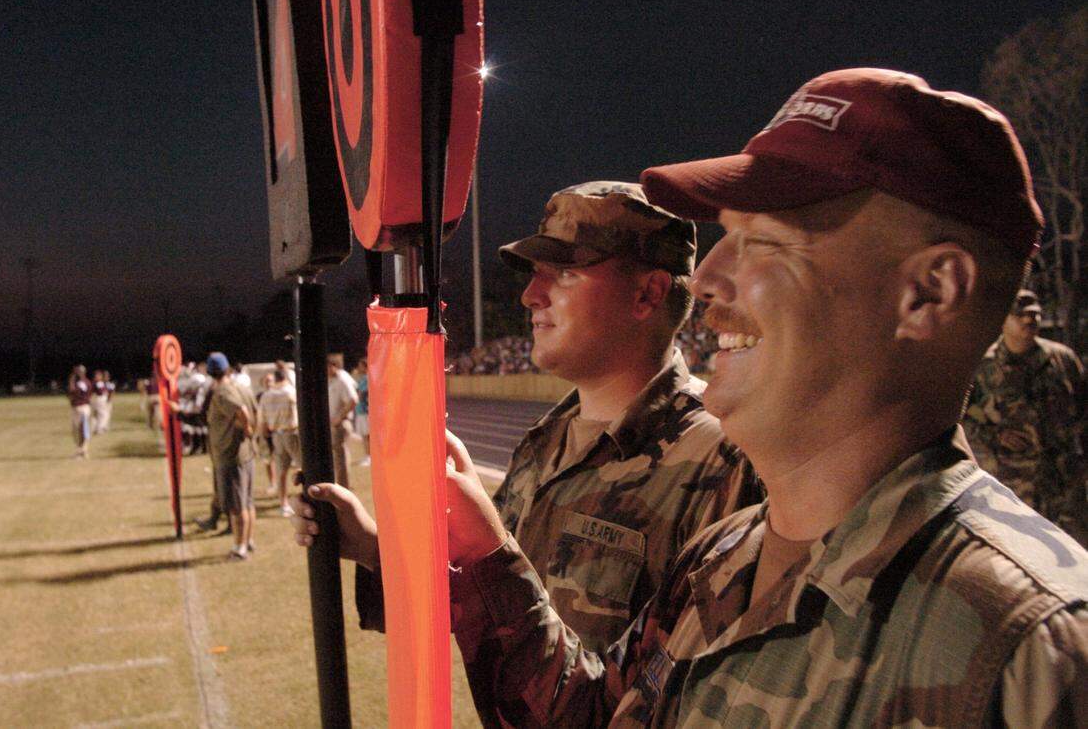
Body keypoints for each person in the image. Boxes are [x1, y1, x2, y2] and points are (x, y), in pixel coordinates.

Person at [405, 69, 1086, 726]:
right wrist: (487, 556)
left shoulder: (1034, 648)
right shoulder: (724, 554)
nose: (703, 277)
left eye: (763, 241)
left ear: (929, 293)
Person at [293, 181, 763, 652]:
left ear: (647, 294)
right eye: (536, 273)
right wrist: (373, 548)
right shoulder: (547, 439)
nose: (530, 296)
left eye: (563, 273)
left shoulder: (724, 460)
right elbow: (493, 604)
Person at [964, 289, 1087, 543]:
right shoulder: (981, 367)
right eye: (1021, 315)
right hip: (1010, 488)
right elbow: (962, 420)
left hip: (1062, 485)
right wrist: (995, 435)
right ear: (1004, 320)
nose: (1030, 320)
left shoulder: (1061, 360)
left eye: (1035, 314)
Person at [205, 352, 259, 560]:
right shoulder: (242, 387)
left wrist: (246, 428)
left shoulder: (222, 392)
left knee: (237, 507)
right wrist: (251, 432)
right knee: (247, 501)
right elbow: (253, 410)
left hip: (231, 454)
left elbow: (242, 411)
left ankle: (240, 548)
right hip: (245, 453)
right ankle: (248, 540)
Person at [260, 368, 300, 515]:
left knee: (281, 471)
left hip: (276, 434)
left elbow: (262, 419)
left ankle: (283, 503)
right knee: (304, 467)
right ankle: (309, 499)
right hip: (292, 433)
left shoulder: (266, 395)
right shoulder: (291, 391)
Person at [327, 353, 358, 489]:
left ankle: (343, 487)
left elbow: (353, 400)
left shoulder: (341, 380)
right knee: (336, 458)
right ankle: (339, 485)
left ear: (333, 366)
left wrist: (339, 417)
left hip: (340, 423)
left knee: (340, 458)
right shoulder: (331, 380)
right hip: (333, 423)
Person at [67, 364, 93, 458]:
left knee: (81, 430)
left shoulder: (81, 383)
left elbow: (73, 392)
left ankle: (82, 450)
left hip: (81, 407)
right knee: (78, 431)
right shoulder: (87, 382)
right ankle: (82, 450)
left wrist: (71, 381)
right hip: (81, 407)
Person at [353, 358, 370, 467]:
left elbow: (362, 393)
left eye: (360, 366)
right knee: (364, 436)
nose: (359, 368)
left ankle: (369, 457)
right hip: (360, 411)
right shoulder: (362, 378)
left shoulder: (367, 378)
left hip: (365, 411)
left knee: (367, 436)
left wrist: (357, 394)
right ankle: (367, 456)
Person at [90, 370, 110, 434]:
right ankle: (99, 429)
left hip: (97, 399)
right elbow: (100, 392)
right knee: (104, 415)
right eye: (99, 375)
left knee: (95, 415)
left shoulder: (95, 382)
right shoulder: (98, 383)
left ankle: (93, 428)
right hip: (99, 399)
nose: (101, 376)